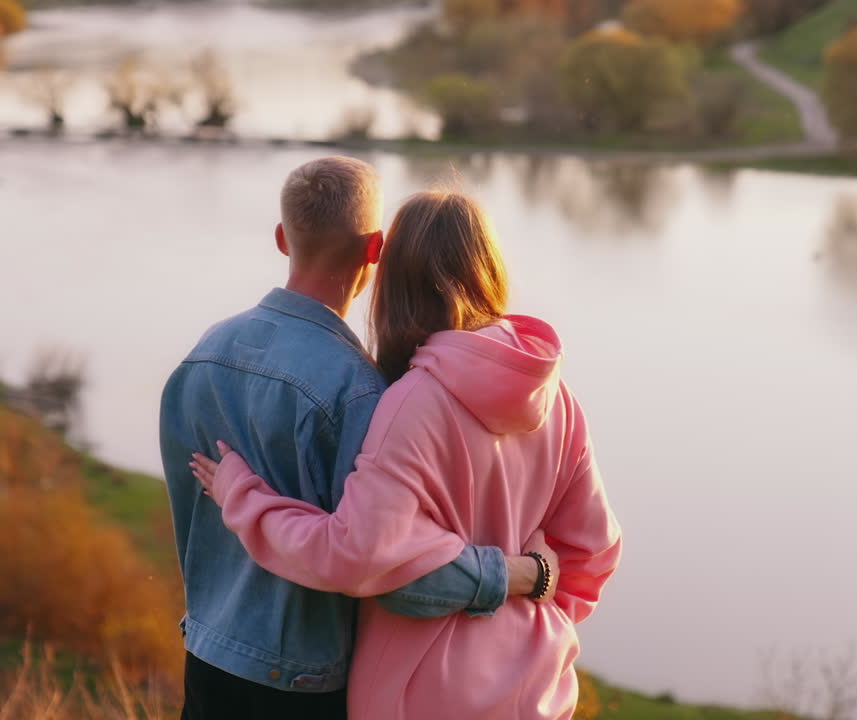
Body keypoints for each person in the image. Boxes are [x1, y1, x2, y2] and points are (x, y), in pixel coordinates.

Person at [190, 190, 623, 720]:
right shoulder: (559, 400)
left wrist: (242, 496)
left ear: (395, 279)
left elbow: (352, 555)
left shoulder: (412, 403)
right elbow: (594, 552)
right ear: (487, 267)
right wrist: (533, 620)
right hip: (538, 689)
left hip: (422, 696)